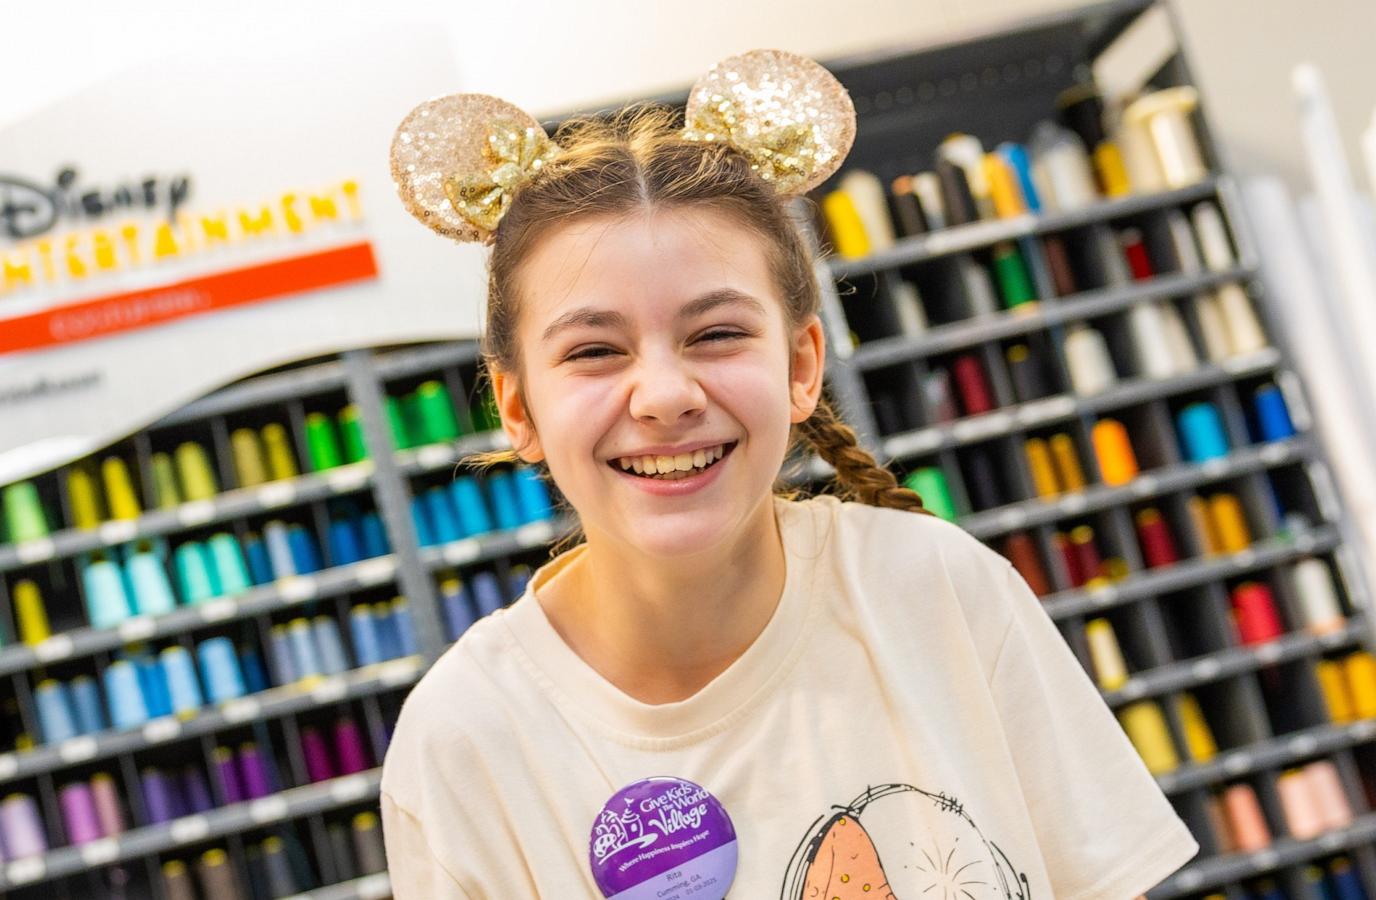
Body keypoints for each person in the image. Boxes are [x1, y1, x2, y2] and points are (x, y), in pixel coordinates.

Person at [379, 49, 1198, 899]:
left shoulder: (940, 592)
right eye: (593, 351)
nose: (664, 395)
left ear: (802, 363)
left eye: (716, 333)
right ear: (518, 409)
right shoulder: (465, 742)